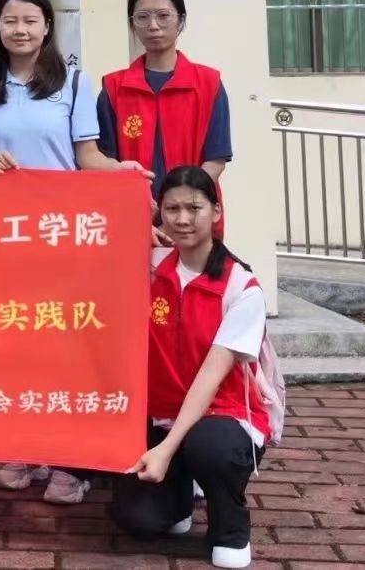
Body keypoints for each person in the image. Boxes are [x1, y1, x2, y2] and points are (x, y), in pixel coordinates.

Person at [0, 0, 150, 504]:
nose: (20, 30)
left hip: (63, 234)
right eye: (10, 21)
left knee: (65, 345)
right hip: (7, 236)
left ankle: (70, 460)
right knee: (16, 343)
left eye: (30, 21)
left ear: (47, 27)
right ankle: (24, 448)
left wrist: (122, 171)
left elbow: (87, 157)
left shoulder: (74, 83)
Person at [110, 166, 268, 570]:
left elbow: (211, 377)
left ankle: (230, 529)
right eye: (171, 209)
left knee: (210, 447)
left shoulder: (241, 288)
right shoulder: (147, 268)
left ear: (216, 212)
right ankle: (178, 498)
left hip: (222, 415)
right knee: (139, 519)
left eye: (194, 208)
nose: (182, 219)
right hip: (158, 413)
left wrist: (165, 449)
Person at [97, 0, 232, 227]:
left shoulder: (209, 83)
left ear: (181, 21)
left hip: (193, 221)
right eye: (142, 17)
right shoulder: (114, 88)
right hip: (132, 218)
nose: (153, 26)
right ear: (132, 24)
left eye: (163, 16)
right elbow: (107, 163)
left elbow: (216, 161)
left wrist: (179, 212)